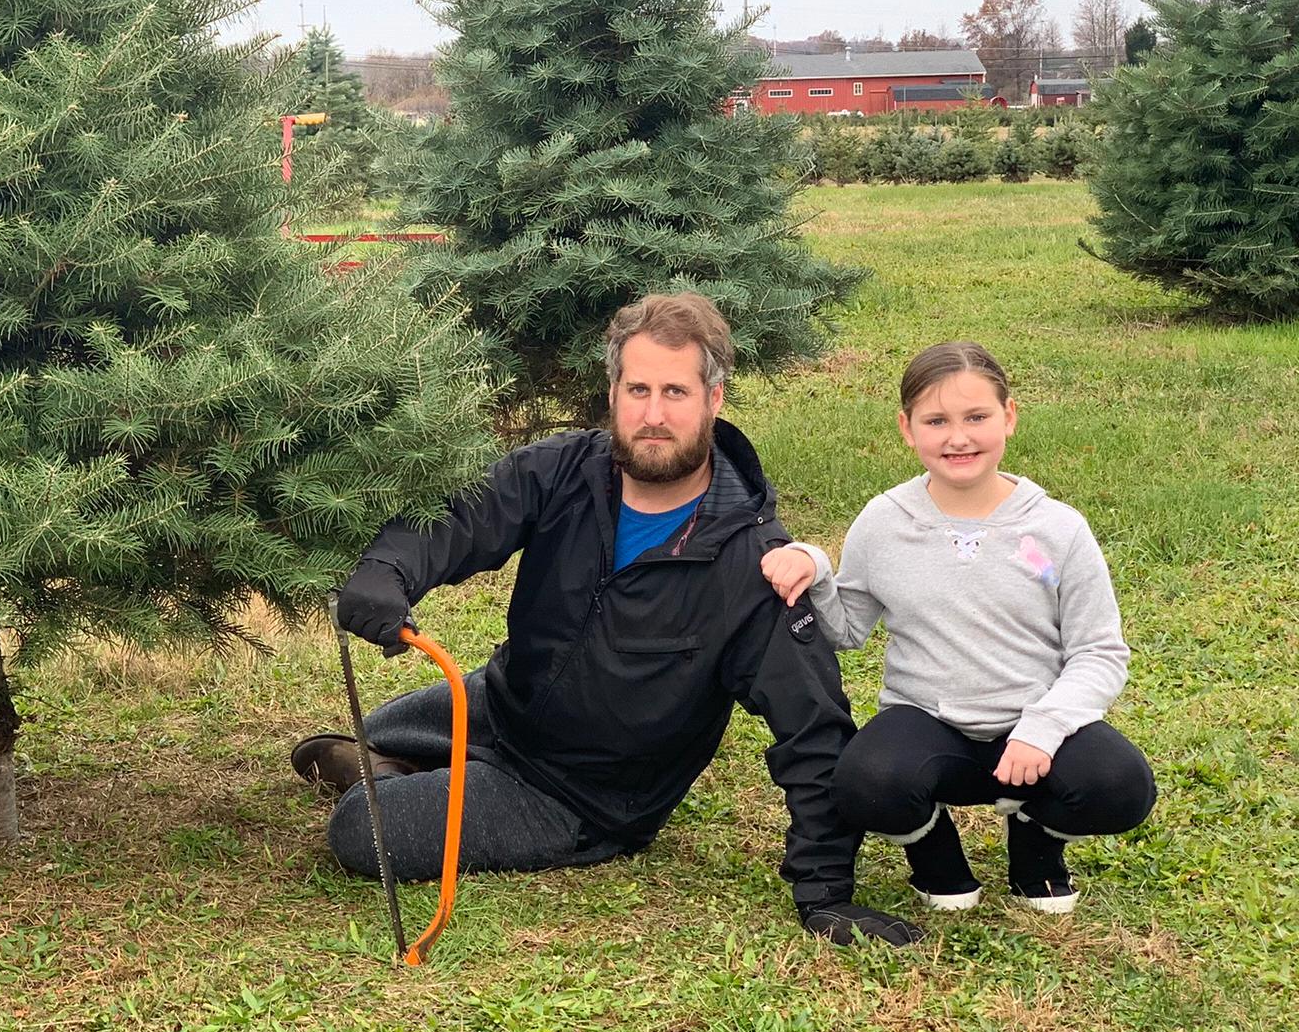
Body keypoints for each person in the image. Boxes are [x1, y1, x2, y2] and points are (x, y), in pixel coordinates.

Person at [293, 292, 922, 947]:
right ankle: (421, 763)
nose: (653, 415)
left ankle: (419, 780)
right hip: (506, 701)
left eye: (675, 392)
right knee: (363, 732)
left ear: (714, 399)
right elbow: (464, 517)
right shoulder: (566, 468)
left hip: (578, 794)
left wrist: (824, 894)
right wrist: (388, 570)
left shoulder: (755, 564)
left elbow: (814, 731)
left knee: (361, 828)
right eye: (638, 388)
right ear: (613, 390)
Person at [761, 341, 1156, 913]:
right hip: (929, 724)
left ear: (1009, 416)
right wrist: (816, 566)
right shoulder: (884, 522)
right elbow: (845, 630)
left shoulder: (1056, 528)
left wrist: (1041, 729)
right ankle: (935, 858)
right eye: (936, 421)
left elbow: (1099, 652)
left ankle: (1036, 845)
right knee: (865, 780)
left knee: (1120, 786)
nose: (958, 437)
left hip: (1032, 734)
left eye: (977, 417)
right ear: (907, 428)